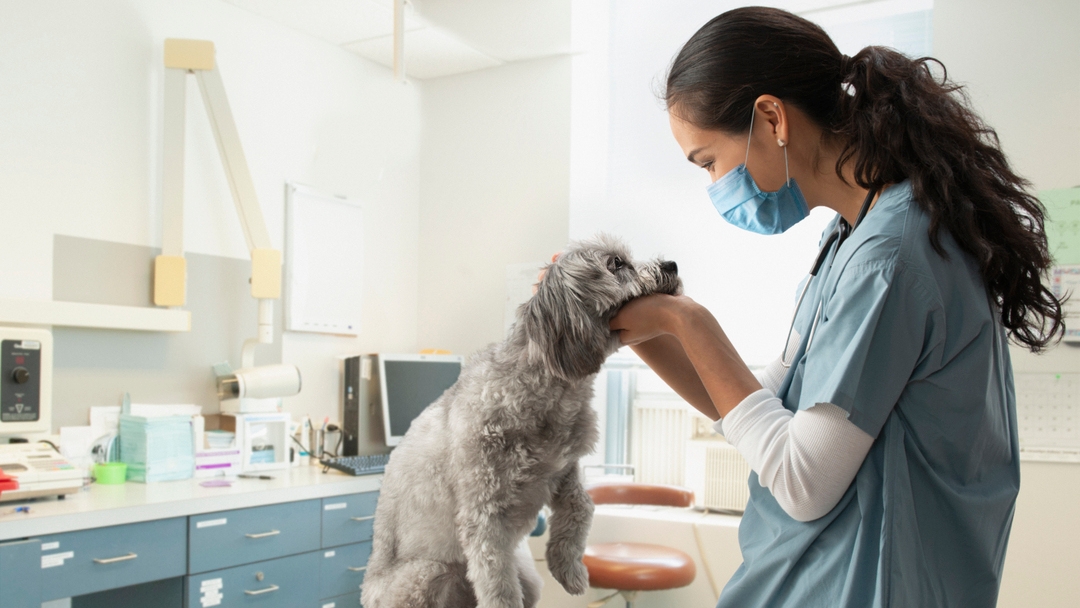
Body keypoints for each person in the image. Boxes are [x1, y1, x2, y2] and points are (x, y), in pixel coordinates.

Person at [607, 7, 1064, 608]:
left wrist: (684, 320)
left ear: (771, 118)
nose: (714, 185)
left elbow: (804, 481)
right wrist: (640, 326)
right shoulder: (850, 237)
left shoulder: (890, 257)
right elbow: (758, 403)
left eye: (709, 161)